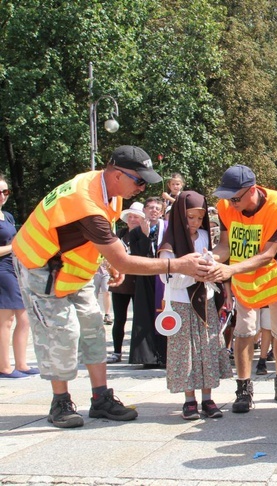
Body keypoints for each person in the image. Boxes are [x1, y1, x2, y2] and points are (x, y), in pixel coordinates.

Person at [11, 145, 212, 428]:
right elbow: (124, 259)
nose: (142, 188)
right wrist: (177, 265)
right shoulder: (85, 202)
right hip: (41, 266)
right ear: (117, 173)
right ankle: (60, 402)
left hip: (71, 267)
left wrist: (110, 264)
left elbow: (110, 245)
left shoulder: (109, 192)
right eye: (139, 180)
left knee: (93, 328)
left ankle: (101, 398)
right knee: (61, 332)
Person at [209, 165, 277, 412]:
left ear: (252, 190)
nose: (231, 203)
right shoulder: (226, 207)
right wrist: (209, 258)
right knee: (244, 329)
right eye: (227, 197)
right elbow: (224, 246)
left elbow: (267, 255)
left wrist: (230, 270)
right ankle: (243, 389)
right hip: (243, 274)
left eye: (236, 197)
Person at [158, 191, 233, 420]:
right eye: (191, 217)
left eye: (200, 218)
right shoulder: (169, 242)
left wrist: (209, 269)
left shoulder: (202, 236)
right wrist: (196, 275)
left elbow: (212, 261)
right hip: (181, 303)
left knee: (207, 348)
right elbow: (167, 277)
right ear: (181, 216)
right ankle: (189, 400)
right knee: (185, 351)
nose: (196, 223)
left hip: (205, 300)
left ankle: (208, 398)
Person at [0, 175, 37, 379]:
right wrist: (13, 247)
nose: (3, 196)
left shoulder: (8, 216)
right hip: (1, 272)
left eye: (6, 192)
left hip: (13, 269)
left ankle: (21, 363)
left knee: (24, 319)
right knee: (6, 320)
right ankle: (4, 366)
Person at [129, 197, 168, 367]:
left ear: (162, 212)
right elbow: (137, 256)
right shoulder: (136, 232)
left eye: (157, 208)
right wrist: (145, 236)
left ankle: (165, 355)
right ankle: (148, 357)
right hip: (145, 279)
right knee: (145, 316)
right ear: (144, 210)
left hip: (163, 278)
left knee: (165, 313)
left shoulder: (167, 230)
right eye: (150, 207)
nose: (153, 210)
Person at [106, 202, 142, 364]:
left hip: (139, 281)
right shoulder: (119, 234)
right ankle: (117, 351)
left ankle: (137, 352)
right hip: (120, 284)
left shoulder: (145, 233)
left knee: (140, 319)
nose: (133, 219)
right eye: (131, 216)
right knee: (119, 319)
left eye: (137, 217)